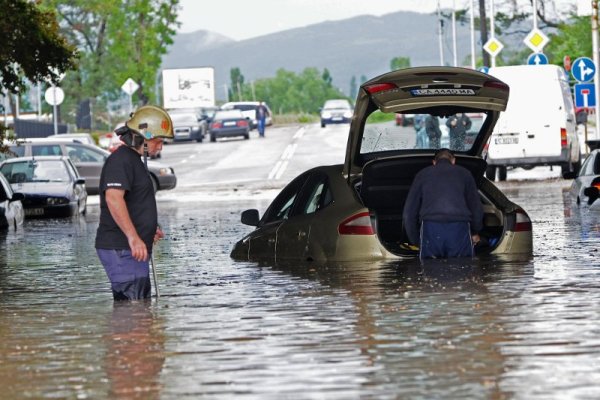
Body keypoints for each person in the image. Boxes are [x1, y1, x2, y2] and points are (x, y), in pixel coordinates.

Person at [95, 105, 174, 300]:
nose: (160, 146)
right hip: (122, 248)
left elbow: (134, 202)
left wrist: (148, 229)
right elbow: (113, 199)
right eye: (158, 141)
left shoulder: (134, 161)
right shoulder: (120, 161)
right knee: (132, 312)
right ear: (143, 137)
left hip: (131, 248)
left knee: (139, 311)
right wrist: (133, 237)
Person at [402, 148, 483, 260]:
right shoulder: (465, 174)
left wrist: (416, 240)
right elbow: (477, 208)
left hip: (430, 229)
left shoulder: (422, 175)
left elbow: (408, 213)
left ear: (434, 162)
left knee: (429, 271)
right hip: (459, 229)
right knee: (462, 269)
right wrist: (474, 231)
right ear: (453, 161)